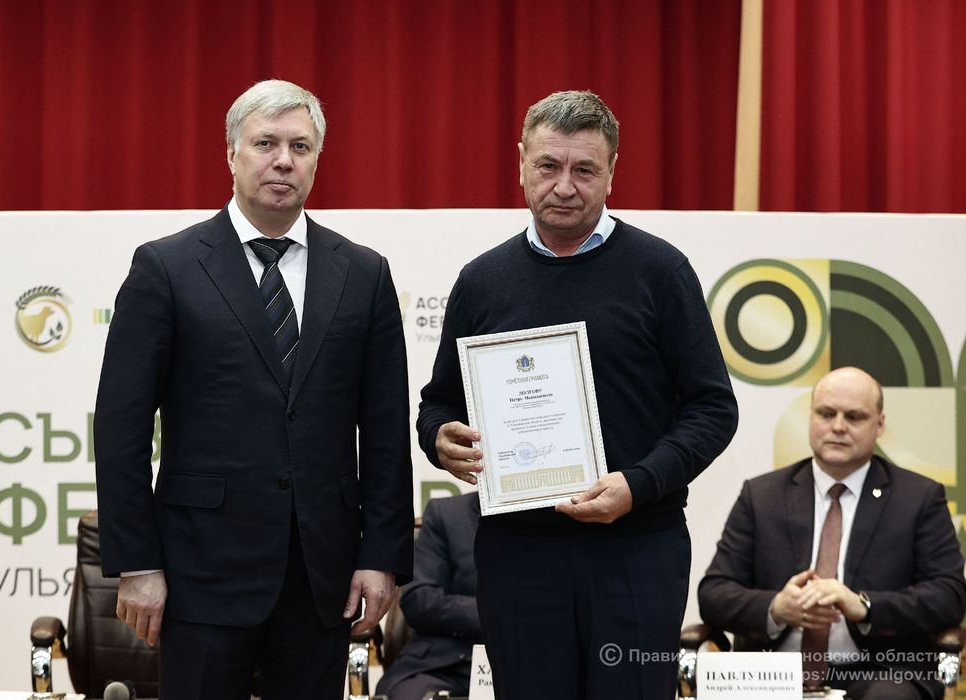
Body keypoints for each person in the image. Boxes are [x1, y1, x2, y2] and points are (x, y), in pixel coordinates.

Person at [93, 79, 413, 700]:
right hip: (199, 572)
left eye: (300, 146)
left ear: (317, 159)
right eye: (266, 143)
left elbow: (384, 431)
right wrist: (136, 562)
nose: (283, 160)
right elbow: (120, 426)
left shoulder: (364, 273)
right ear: (231, 154)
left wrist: (381, 556)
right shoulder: (166, 267)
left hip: (322, 576)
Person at [416, 90, 738, 700]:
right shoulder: (481, 281)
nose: (564, 186)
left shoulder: (660, 271)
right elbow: (439, 403)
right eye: (548, 166)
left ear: (612, 171)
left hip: (637, 551)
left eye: (584, 169)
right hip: (518, 558)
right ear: (521, 163)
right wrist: (440, 438)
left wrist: (638, 484)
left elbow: (713, 408)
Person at [698, 367, 966, 700]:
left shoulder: (918, 498)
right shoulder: (762, 496)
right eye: (826, 414)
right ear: (810, 417)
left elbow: (949, 597)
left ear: (880, 424)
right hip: (771, 675)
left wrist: (865, 606)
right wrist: (776, 608)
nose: (838, 426)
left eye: (854, 417)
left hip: (880, 672)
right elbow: (714, 593)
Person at [375, 492, 482, 700]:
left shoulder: (549, 517)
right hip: (446, 663)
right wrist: (495, 614)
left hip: (533, 661)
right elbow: (419, 599)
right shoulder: (447, 514)